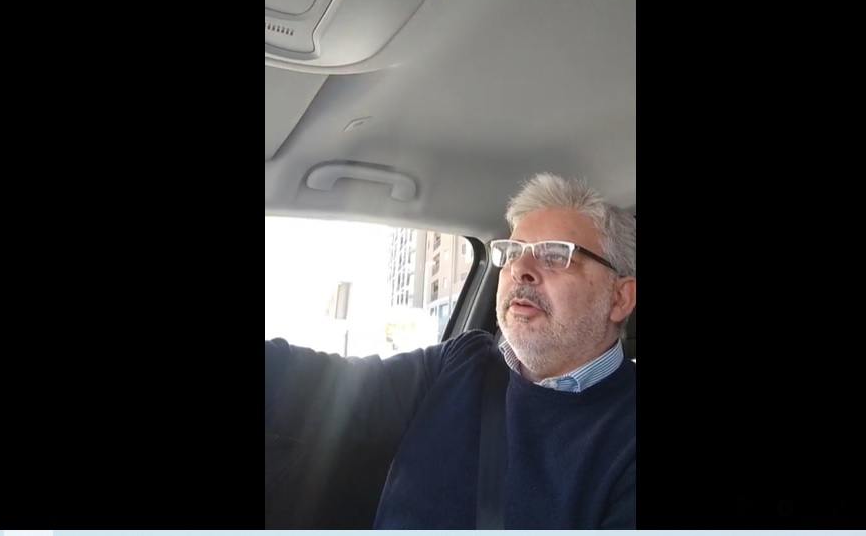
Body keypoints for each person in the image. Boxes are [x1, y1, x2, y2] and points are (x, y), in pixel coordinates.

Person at [265, 172, 636, 529]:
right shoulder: (462, 362)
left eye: (554, 255)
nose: (519, 268)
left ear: (620, 297)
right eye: (511, 252)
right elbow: (324, 387)